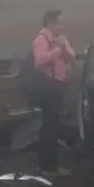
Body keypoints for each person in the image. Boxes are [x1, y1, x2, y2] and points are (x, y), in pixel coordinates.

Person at [30, 10, 76, 176]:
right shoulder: (41, 39)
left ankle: (50, 165)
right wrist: (57, 50)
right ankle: (48, 166)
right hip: (48, 86)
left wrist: (64, 48)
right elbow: (39, 61)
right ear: (50, 23)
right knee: (50, 127)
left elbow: (72, 57)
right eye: (60, 22)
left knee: (53, 125)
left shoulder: (61, 40)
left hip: (58, 85)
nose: (63, 26)